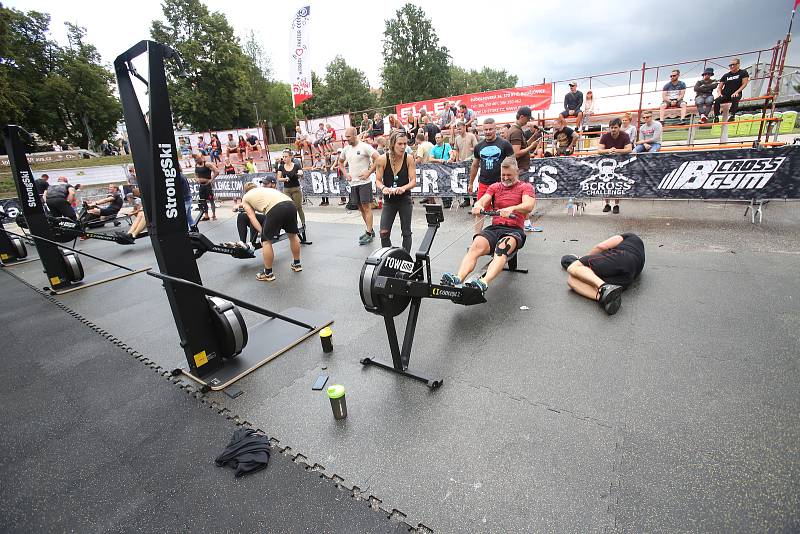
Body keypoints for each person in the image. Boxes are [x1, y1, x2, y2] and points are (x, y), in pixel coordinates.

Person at [441, 157, 535, 293]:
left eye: (509, 175)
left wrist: (512, 209)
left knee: (502, 248)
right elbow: (484, 199)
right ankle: (458, 278)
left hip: (513, 230)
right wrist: (478, 205)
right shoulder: (495, 187)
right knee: (476, 245)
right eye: (503, 175)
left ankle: (483, 282)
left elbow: (529, 205)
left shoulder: (525, 187)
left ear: (517, 173)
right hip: (495, 228)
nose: (506, 177)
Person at [560, 233, 645, 315]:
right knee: (571, 279)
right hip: (631, 273)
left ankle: (603, 287)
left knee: (572, 270)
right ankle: (606, 297)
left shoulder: (628, 238)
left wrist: (583, 261)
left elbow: (601, 248)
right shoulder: (631, 237)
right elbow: (601, 246)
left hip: (623, 259)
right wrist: (585, 259)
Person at [240, 181, 302, 281]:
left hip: (275, 208)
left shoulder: (245, 198)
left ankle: (268, 273)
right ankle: (297, 264)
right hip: (290, 204)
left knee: (266, 242)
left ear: (245, 191)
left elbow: (252, 217)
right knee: (293, 236)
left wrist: (262, 232)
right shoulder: (264, 189)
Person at [372, 130, 416, 252]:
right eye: (400, 144)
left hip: (405, 199)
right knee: (384, 232)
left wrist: (404, 188)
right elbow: (378, 180)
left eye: (405, 144)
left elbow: (413, 181)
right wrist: (383, 188)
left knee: (406, 232)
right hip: (389, 201)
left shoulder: (409, 158)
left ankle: (405, 258)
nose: (403, 147)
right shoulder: (382, 159)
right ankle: (388, 257)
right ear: (393, 144)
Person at [469, 118, 514, 234]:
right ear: (483, 130)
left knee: (500, 212)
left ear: (496, 129)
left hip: (501, 184)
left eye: (490, 129)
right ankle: (476, 238)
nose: (488, 131)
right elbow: (475, 165)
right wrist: (471, 183)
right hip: (484, 183)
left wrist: (512, 182)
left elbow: (513, 164)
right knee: (479, 211)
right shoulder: (479, 146)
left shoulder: (505, 144)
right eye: (486, 129)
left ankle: (501, 237)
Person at [339, 127, 379, 245]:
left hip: (364, 183)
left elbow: (378, 158)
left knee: (366, 207)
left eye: (348, 137)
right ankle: (369, 230)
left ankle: (368, 232)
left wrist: (369, 172)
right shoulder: (346, 149)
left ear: (355, 135)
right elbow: (340, 163)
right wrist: (346, 174)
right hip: (353, 183)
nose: (346, 139)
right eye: (346, 137)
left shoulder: (364, 146)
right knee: (360, 208)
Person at [507, 106, 542, 231]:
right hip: (520, 168)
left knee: (521, 196)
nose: (528, 122)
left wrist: (535, 137)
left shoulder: (516, 129)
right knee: (524, 197)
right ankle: (524, 223)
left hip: (519, 168)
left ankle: (522, 222)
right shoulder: (516, 131)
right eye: (527, 119)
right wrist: (531, 146)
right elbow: (516, 153)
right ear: (522, 116)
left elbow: (522, 145)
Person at [597, 118, 633, 214]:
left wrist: (616, 150)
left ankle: (616, 205)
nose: (613, 129)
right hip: (606, 163)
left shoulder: (625, 135)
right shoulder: (605, 136)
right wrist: (608, 150)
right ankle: (607, 204)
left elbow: (629, 149)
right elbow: (599, 150)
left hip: (619, 163)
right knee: (606, 184)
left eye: (615, 127)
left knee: (617, 185)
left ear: (619, 127)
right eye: (611, 127)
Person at [276, 148, 306, 230]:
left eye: (286, 157)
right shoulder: (281, 166)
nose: (284, 158)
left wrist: (300, 174)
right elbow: (278, 178)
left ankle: (303, 223)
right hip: (287, 189)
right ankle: (294, 224)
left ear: (290, 157)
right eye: (283, 157)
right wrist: (285, 179)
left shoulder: (296, 165)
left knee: (298, 207)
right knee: (289, 208)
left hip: (296, 188)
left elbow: (302, 176)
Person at [452, 120, 479, 207]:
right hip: (461, 162)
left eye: (460, 129)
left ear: (464, 127)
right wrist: (456, 159)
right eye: (457, 129)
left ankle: (475, 199)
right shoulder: (457, 138)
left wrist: (472, 150)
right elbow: (456, 150)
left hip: (472, 162)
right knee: (463, 181)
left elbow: (476, 147)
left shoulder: (471, 136)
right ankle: (466, 200)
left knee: (473, 181)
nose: (459, 130)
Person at [193, 152, 219, 221]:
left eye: (198, 159)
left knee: (211, 200)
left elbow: (216, 171)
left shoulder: (207, 164)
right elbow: (195, 174)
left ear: (201, 157)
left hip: (207, 185)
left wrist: (211, 179)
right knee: (203, 201)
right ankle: (206, 215)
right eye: (195, 160)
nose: (197, 161)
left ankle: (213, 215)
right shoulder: (196, 165)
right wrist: (196, 179)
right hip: (201, 186)